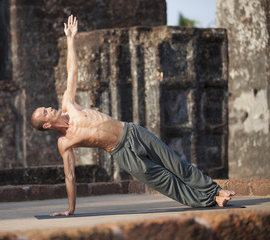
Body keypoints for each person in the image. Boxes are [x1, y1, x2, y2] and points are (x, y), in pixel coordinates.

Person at [31, 15, 235, 216]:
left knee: (176, 164)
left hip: (131, 132)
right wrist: (71, 208)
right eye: (45, 112)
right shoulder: (64, 143)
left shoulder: (68, 103)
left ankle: (215, 189)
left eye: (46, 107)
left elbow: (72, 71)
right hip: (121, 153)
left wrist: (70, 39)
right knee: (164, 180)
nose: (49, 108)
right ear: (46, 125)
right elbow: (70, 176)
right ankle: (210, 200)